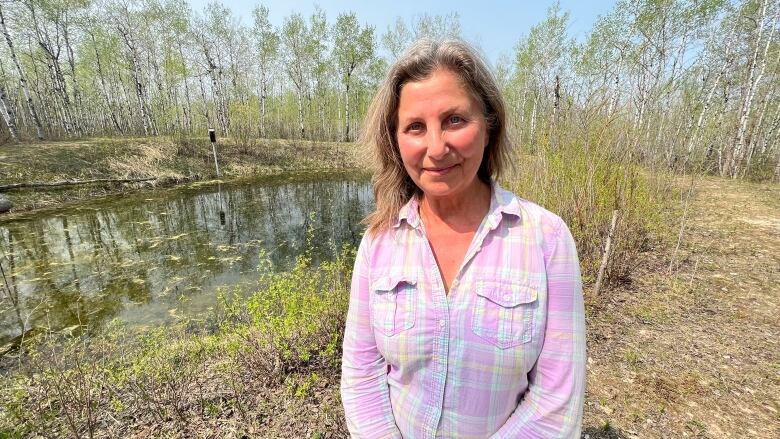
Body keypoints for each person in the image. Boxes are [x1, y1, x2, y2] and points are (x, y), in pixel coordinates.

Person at [340, 39, 586, 438]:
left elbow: (557, 403)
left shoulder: (547, 239)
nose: (437, 148)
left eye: (455, 120)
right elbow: (362, 374)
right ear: (396, 141)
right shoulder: (379, 242)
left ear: (489, 126)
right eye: (415, 127)